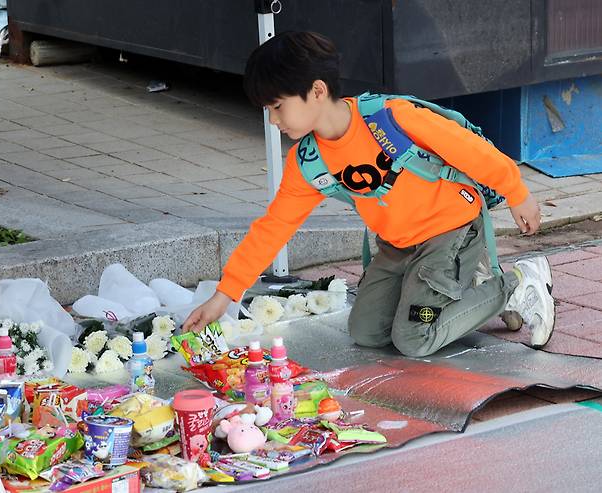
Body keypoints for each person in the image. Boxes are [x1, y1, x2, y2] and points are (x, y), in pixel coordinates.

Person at [182, 31, 555, 356]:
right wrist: (223, 296)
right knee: (366, 332)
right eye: (268, 110)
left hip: (451, 231)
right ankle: (461, 288)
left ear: (316, 91)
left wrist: (517, 193)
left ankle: (517, 282)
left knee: (415, 336)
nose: (273, 121)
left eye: (277, 107)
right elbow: (274, 227)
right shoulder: (308, 161)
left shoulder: (390, 118)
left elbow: (473, 153)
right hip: (399, 247)